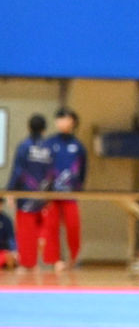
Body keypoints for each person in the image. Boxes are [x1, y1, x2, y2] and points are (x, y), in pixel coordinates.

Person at [5, 114, 52, 270]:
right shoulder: (49, 147)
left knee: (26, 232)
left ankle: (28, 263)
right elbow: (52, 172)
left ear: (29, 127)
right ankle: (44, 261)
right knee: (43, 230)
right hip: (45, 196)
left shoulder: (24, 146)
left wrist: (11, 191)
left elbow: (18, 171)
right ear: (44, 129)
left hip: (26, 196)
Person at [46, 108, 87, 271]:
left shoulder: (78, 146)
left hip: (70, 193)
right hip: (51, 193)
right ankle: (55, 259)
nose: (63, 122)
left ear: (73, 122)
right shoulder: (49, 143)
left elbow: (83, 170)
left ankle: (73, 258)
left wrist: (79, 188)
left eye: (66, 119)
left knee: (73, 226)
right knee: (51, 226)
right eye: (60, 119)